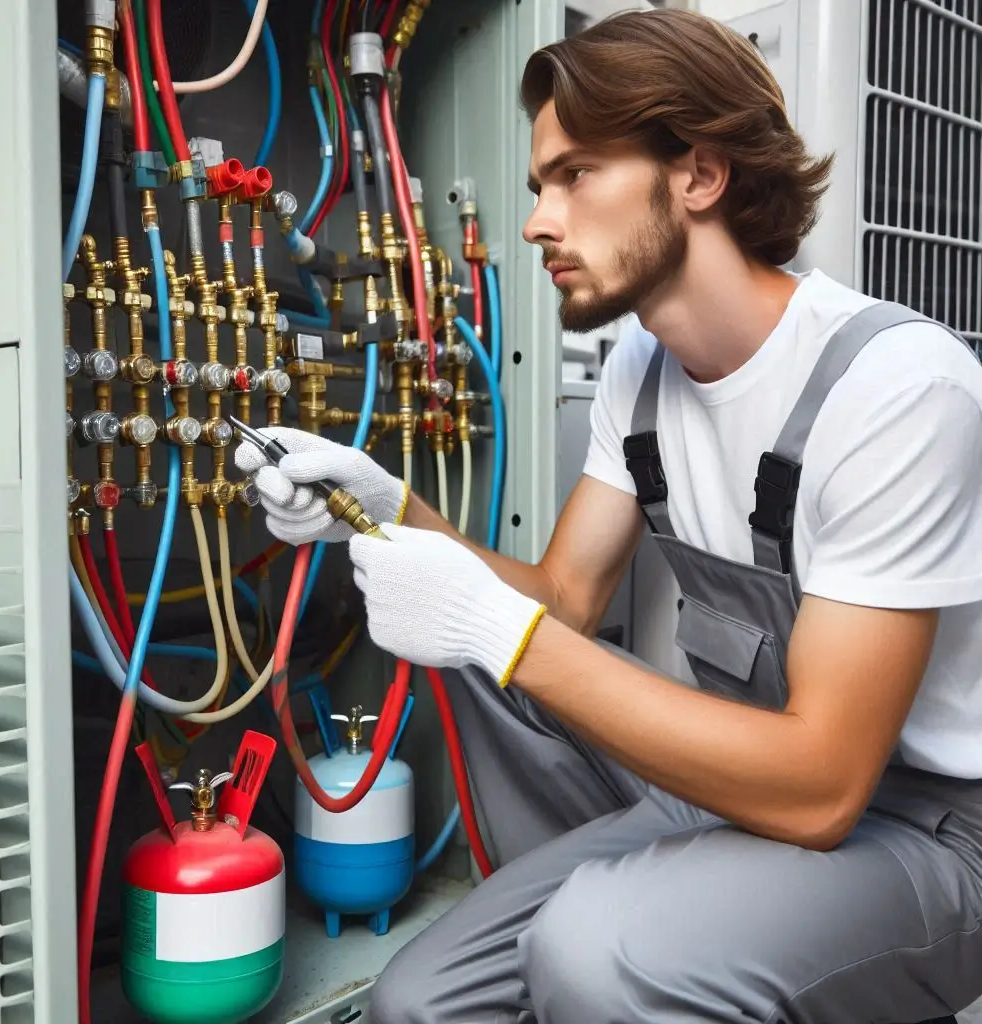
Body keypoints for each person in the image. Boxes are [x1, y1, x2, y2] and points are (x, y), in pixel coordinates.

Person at [237, 9, 982, 1023]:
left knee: (598, 953)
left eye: (575, 174)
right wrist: (381, 507)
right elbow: (563, 600)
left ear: (700, 174)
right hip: (733, 775)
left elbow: (821, 785)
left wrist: (499, 629)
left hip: (926, 831)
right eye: (541, 184)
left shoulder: (896, 386)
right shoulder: (639, 372)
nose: (539, 219)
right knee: (418, 1002)